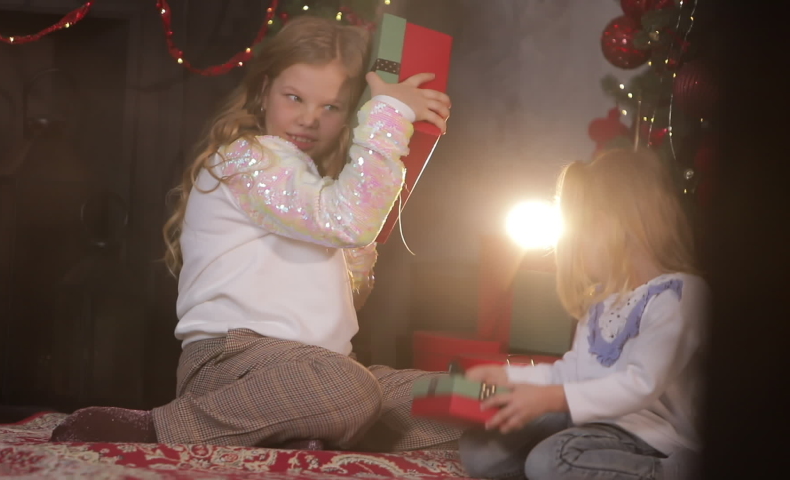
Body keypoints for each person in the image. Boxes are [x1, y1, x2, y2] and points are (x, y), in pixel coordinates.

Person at [49, 15, 461, 452]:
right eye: (295, 97)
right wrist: (390, 114)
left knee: (470, 400)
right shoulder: (248, 160)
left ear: (348, 115)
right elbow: (347, 221)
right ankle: (157, 429)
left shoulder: (320, 187)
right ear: (264, 92)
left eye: (331, 107)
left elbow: (340, 295)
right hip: (233, 361)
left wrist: (360, 250)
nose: (308, 119)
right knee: (349, 390)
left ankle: (308, 433)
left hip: (320, 368)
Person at [459, 149, 708, 479]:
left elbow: (642, 383)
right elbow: (572, 372)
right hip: (591, 426)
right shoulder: (602, 301)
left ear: (615, 228)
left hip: (652, 439)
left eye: (581, 236)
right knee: (482, 452)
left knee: (550, 462)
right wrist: (508, 377)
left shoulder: (680, 293)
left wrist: (552, 398)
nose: (573, 250)